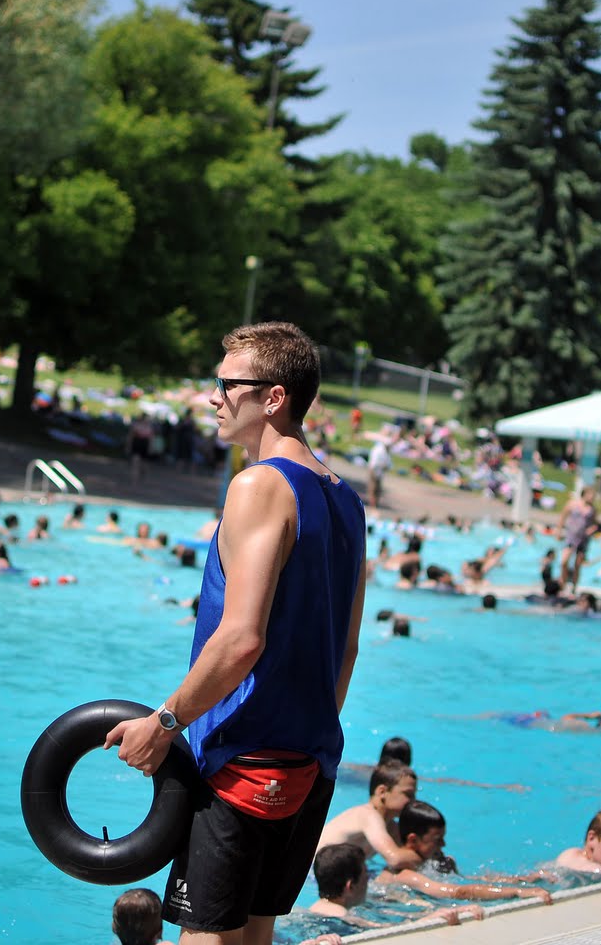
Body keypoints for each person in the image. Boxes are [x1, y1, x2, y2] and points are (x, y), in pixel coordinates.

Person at [103, 322, 367, 945]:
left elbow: (241, 638)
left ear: (273, 397)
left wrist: (161, 724)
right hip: (309, 762)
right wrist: (302, 737)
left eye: (226, 384)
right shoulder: (345, 500)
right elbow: (347, 650)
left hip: (241, 763)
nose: (213, 397)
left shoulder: (259, 486)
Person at [376, 802, 552, 904]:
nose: (443, 844)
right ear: (413, 840)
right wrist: (517, 892)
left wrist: (521, 881)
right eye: (437, 840)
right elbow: (459, 892)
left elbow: (470, 881)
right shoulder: (404, 875)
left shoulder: (427, 864)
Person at [306, 843, 482, 930]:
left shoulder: (322, 908)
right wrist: (431, 920)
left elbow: (397, 916)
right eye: (366, 875)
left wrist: (454, 910)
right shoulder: (340, 915)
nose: (369, 881)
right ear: (350, 886)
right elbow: (385, 932)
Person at [315, 761, 421, 871]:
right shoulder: (368, 815)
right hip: (313, 874)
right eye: (408, 794)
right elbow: (395, 859)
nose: (414, 801)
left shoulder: (390, 827)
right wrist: (423, 857)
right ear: (382, 792)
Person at [556, 486, 597, 592]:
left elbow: (595, 524)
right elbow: (562, 517)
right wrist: (559, 531)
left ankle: (573, 588)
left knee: (577, 564)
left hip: (583, 539)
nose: (593, 498)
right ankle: (563, 584)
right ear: (585, 494)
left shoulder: (592, 509)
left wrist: (591, 530)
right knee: (564, 561)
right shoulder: (572, 504)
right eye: (591, 495)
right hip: (571, 537)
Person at [365, 434, 391, 510]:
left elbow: (389, 464)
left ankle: (375, 503)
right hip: (374, 470)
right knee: (372, 487)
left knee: (378, 488)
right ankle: (372, 504)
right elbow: (374, 463)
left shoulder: (386, 452)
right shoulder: (378, 450)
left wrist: (385, 467)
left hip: (380, 471)